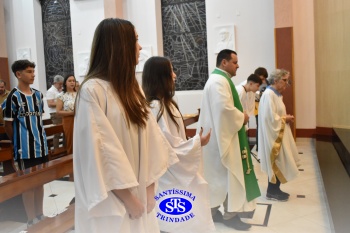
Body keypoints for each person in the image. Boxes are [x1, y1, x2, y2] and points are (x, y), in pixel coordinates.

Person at [73, 18, 176, 233]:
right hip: (114, 200)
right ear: (118, 45)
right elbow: (101, 151)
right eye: (135, 40)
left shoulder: (132, 90)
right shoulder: (92, 91)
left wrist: (148, 188)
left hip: (141, 193)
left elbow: (152, 139)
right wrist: (129, 199)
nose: (139, 47)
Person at [142, 56, 215, 233]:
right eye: (171, 71)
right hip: (167, 173)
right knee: (173, 219)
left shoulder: (167, 104)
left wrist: (192, 143)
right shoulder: (155, 107)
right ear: (160, 77)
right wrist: (197, 142)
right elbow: (167, 146)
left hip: (175, 167)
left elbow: (173, 141)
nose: (175, 75)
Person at [197, 49, 260, 231]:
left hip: (221, 138)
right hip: (221, 140)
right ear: (224, 62)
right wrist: (242, 117)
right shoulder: (218, 81)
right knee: (226, 177)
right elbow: (224, 110)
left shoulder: (220, 80)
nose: (238, 65)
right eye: (235, 62)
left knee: (219, 178)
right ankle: (229, 215)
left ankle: (215, 211)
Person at [2, 59, 48, 226]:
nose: (33, 74)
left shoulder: (38, 95)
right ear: (18, 74)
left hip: (40, 146)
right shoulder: (12, 98)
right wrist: (17, 143)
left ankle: (40, 214)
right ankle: (31, 219)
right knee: (28, 183)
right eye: (29, 71)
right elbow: (8, 124)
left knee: (40, 181)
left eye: (33, 71)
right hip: (24, 148)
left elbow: (38, 119)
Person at [258, 69, 301, 202]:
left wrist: (284, 118)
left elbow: (276, 115)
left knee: (280, 161)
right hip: (273, 135)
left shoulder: (277, 95)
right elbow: (269, 118)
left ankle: (276, 189)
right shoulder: (269, 95)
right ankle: (271, 191)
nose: (287, 83)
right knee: (276, 161)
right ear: (275, 80)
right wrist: (284, 119)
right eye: (284, 80)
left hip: (279, 133)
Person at [56, 74, 77, 154]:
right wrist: (71, 112)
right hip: (69, 120)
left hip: (79, 118)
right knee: (71, 140)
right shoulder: (61, 95)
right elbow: (58, 111)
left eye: (73, 81)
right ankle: (71, 160)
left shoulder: (78, 93)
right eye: (70, 81)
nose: (72, 82)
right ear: (65, 83)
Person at [46, 74, 64, 148]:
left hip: (61, 112)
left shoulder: (59, 90)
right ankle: (56, 150)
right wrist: (61, 102)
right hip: (55, 114)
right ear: (55, 82)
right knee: (57, 133)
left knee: (64, 131)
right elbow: (50, 104)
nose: (61, 85)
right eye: (60, 84)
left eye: (62, 84)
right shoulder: (51, 91)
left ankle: (64, 148)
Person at [254, 67, 269, 152]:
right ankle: (258, 147)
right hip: (258, 109)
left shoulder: (268, 83)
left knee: (267, 126)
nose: (261, 79)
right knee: (259, 127)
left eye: (263, 78)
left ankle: (266, 146)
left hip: (267, 107)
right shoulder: (255, 83)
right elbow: (255, 97)